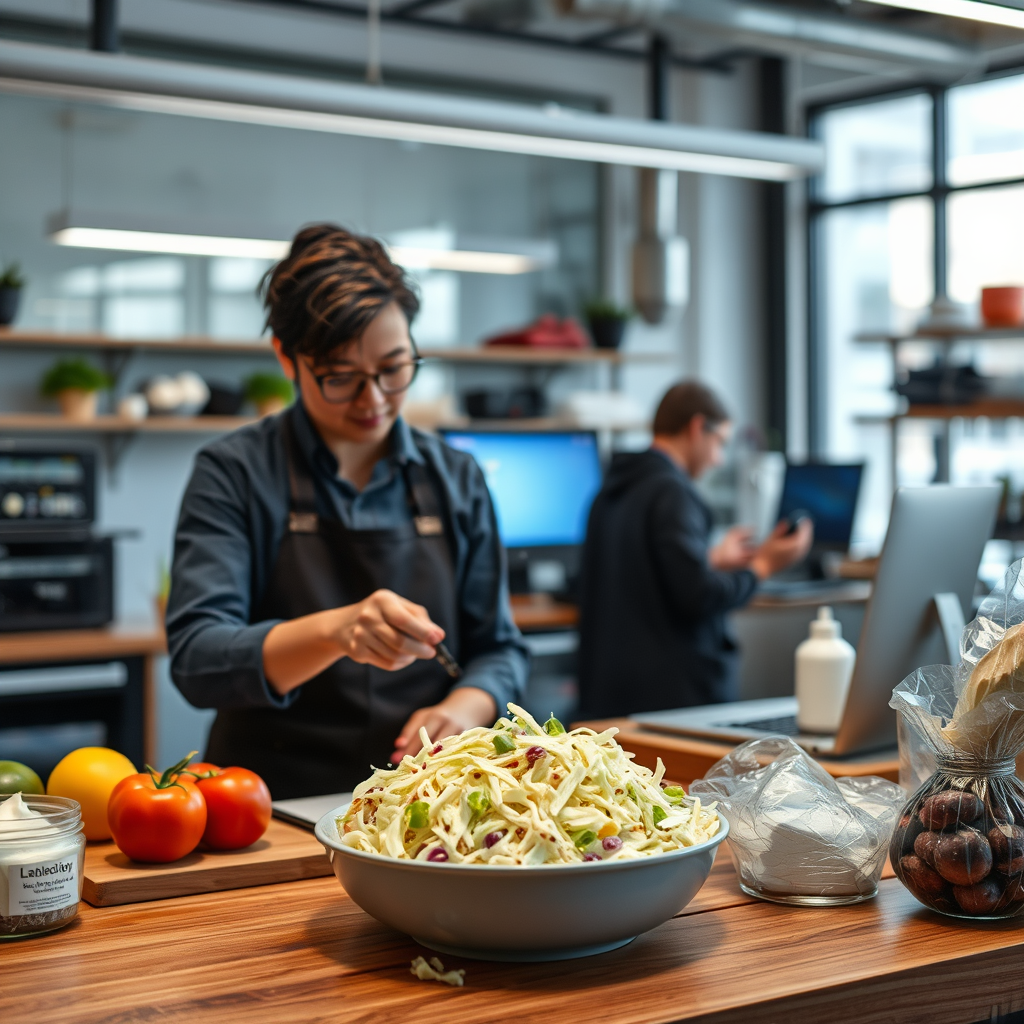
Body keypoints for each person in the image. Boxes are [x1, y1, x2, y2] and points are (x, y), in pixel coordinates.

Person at [167, 224, 529, 799]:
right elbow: (198, 660)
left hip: (428, 801)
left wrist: (467, 705)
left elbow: (499, 649)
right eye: (341, 378)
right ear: (287, 358)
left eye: (394, 368)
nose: (375, 399)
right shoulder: (233, 472)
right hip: (268, 803)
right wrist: (337, 631)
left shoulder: (456, 477)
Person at [577, 380, 812, 718]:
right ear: (698, 426)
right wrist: (763, 565)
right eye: (719, 443)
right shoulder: (673, 493)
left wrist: (710, 558)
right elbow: (698, 596)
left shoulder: (610, 491)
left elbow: (639, 576)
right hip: (672, 701)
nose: (718, 460)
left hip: (612, 699)